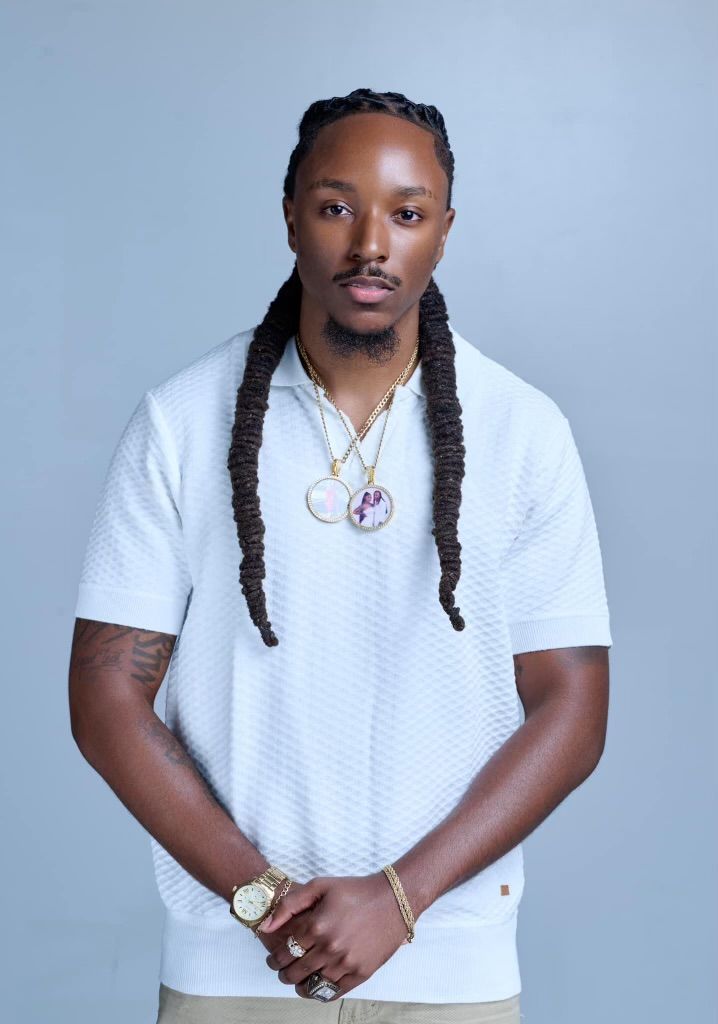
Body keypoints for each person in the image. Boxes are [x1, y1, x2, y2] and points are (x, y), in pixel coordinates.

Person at [69, 87, 612, 1023]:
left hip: (453, 973)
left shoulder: (524, 432)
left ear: (444, 231)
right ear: (289, 218)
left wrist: (400, 901)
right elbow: (105, 696)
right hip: (235, 976)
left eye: (406, 214)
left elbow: (572, 706)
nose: (371, 244)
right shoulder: (181, 424)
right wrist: (262, 902)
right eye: (336, 207)